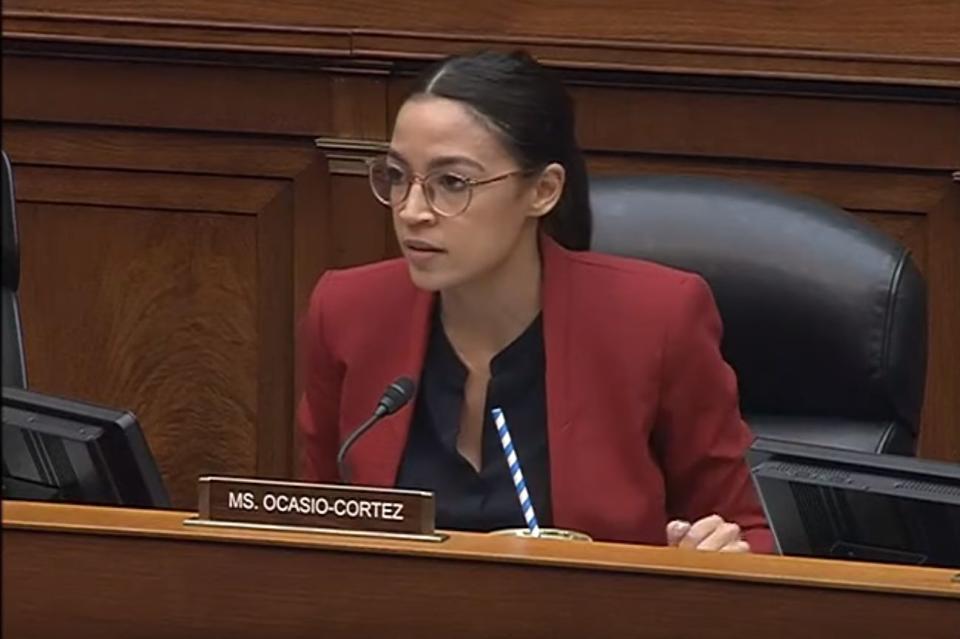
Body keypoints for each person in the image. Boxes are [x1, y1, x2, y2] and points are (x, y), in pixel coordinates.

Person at [298, 50, 772, 553]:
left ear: (542, 191)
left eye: (452, 183)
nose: (413, 211)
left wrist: (715, 551)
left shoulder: (655, 319)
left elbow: (752, 530)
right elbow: (318, 523)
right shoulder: (349, 311)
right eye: (397, 176)